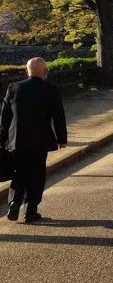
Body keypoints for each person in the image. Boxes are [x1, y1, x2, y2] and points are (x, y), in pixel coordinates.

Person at [0, 58, 67, 223]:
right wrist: (62, 139)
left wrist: (2, 139)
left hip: (17, 140)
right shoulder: (51, 90)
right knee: (37, 175)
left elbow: (5, 117)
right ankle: (31, 211)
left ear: (26, 70)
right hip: (40, 140)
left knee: (20, 172)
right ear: (45, 71)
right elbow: (59, 116)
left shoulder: (14, 88)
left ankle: (14, 202)